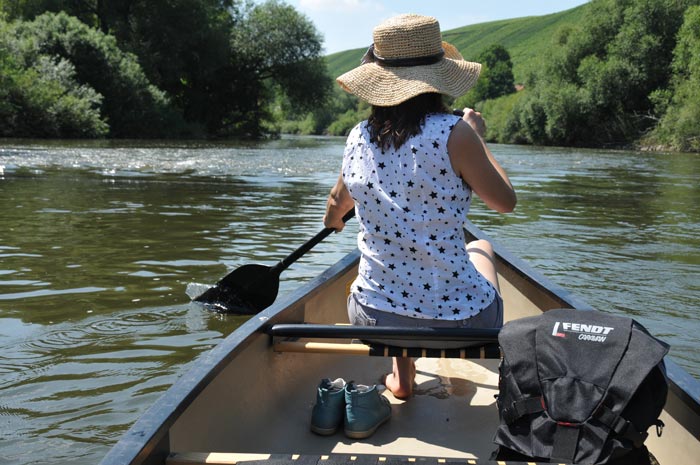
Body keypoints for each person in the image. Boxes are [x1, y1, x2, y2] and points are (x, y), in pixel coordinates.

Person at [323, 13, 516, 400]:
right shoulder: (456, 133)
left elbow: (334, 211)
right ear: (438, 79)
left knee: (389, 278)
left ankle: (403, 380)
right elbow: (505, 203)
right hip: (465, 326)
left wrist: (339, 222)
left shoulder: (357, 137)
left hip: (375, 320)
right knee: (480, 247)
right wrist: (478, 140)